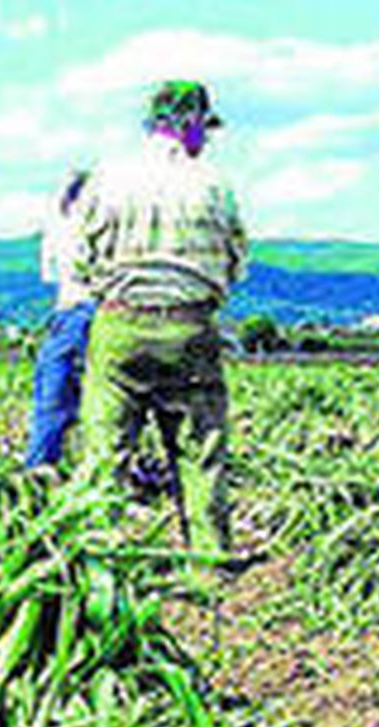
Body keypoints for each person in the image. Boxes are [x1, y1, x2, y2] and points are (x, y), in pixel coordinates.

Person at [70, 80, 248, 576]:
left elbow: (81, 257)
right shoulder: (214, 185)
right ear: (189, 126)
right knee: (199, 449)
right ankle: (208, 562)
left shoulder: (108, 178)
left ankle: (98, 560)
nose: (205, 139)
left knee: (105, 448)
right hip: (190, 328)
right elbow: (236, 261)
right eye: (203, 129)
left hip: (120, 323)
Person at [24, 168, 97, 475]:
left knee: (53, 393)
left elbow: (51, 274)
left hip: (77, 311)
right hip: (91, 312)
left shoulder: (62, 226)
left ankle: (41, 467)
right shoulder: (77, 224)